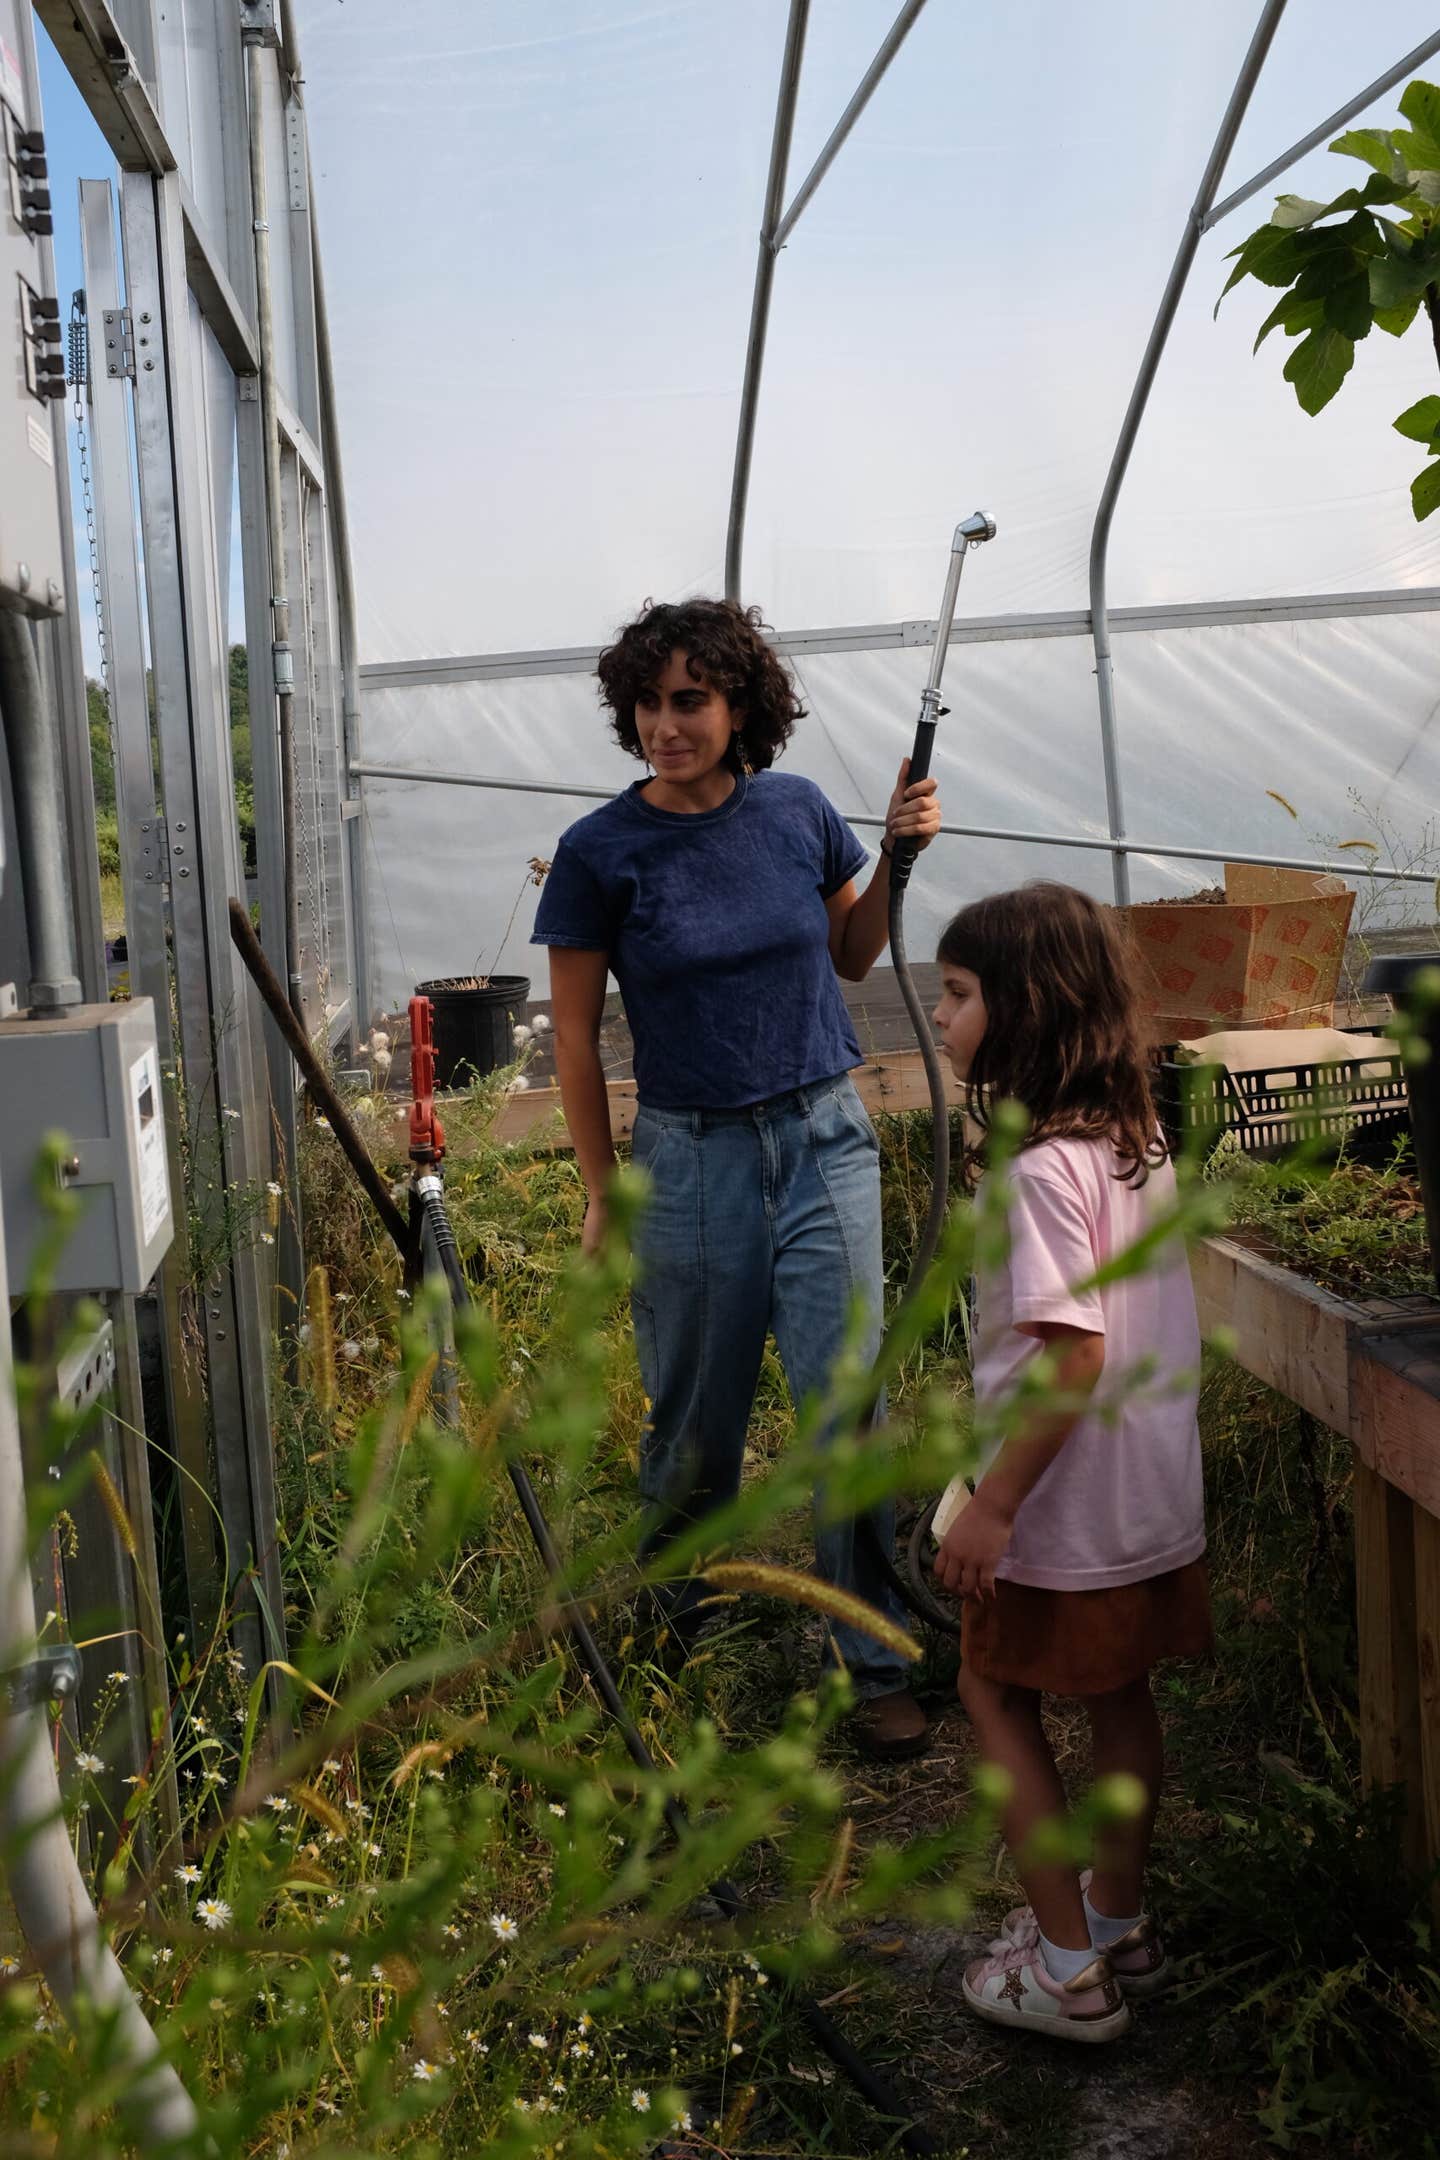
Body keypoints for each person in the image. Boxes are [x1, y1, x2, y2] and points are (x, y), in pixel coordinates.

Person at [532, 596, 941, 1760]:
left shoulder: (798, 813)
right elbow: (572, 1037)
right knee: (697, 1424)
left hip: (823, 1141)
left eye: (691, 702)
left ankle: (871, 1659)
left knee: (842, 1407)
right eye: (650, 705)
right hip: (693, 1157)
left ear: (739, 706)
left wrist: (900, 860)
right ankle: (678, 1638)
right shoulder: (601, 853)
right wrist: (604, 1186)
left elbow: (854, 955)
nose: (669, 725)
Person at [929, 883, 1211, 2042]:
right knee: (1121, 1698)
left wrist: (993, 1508)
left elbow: (1071, 1361)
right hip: (1144, 1498)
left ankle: (1059, 1972)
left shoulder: (1038, 1172)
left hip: (1060, 1510)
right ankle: (1113, 1921)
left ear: (1026, 1010)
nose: (939, 1018)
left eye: (955, 995)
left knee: (992, 1692)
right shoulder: (1134, 1140)